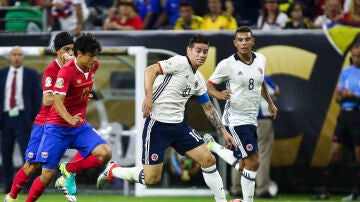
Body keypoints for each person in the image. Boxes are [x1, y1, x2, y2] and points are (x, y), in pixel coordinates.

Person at [96, 34, 237, 202]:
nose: (202, 55)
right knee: (151, 179)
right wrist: (148, 97)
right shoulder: (179, 62)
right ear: (189, 51)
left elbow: (208, 108)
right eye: (198, 51)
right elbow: (150, 70)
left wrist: (224, 131)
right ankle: (113, 170)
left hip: (179, 127)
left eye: (205, 52)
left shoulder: (198, 79)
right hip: (157, 126)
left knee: (208, 159)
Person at [24, 33, 112, 202]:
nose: (95, 60)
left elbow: (79, 89)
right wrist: (70, 119)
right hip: (57, 128)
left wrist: (83, 96)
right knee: (47, 175)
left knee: (105, 153)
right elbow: (57, 101)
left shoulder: (94, 66)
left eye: (96, 56)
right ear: (79, 54)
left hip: (78, 127)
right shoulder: (66, 72)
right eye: (91, 56)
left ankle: (68, 169)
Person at [204, 26, 278, 202]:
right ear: (235, 43)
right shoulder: (227, 64)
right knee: (254, 162)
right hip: (235, 119)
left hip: (252, 117)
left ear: (253, 41)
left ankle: (214, 147)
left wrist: (270, 103)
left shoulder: (261, 59)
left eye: (247, 39)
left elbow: (260, 83)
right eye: (240, 40)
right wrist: (218, 94)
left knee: (243, 165)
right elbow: (207, 86)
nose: (244, 43)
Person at [3, 32, 77, 202]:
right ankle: (11, 197)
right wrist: (67, 96)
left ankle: (65, 176)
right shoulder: (52, 70)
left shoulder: (74, 69)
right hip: (44, 123)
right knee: (31, 165)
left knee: (50, 170)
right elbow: (47, 99)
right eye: (67, 49)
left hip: (62, 124)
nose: (70, 53)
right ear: (57, 51)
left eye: (73, 50)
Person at [312, 43, 360, 201]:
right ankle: (325, 190)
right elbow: (338, 97)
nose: (356, 58)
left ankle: (356, 192)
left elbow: (351, 95)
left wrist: (353, 96)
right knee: (334, 154)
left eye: (358, 56)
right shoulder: (346, 72)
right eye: (353, 56)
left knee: (358, 157)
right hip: (344, 115)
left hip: (358, 116)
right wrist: (345, 96)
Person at [0, 46, 42, 194]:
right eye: (14, 54)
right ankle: (8, 185)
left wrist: (36, 120)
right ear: (10, 57)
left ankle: (29, 185)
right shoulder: (2, 74)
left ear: (23, 57)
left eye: (19, 54)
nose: (17, 57)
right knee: (5, 153)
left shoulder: (31, 74)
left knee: (28, 154)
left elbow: (37, 99)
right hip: (5, 118)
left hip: (24, 119)